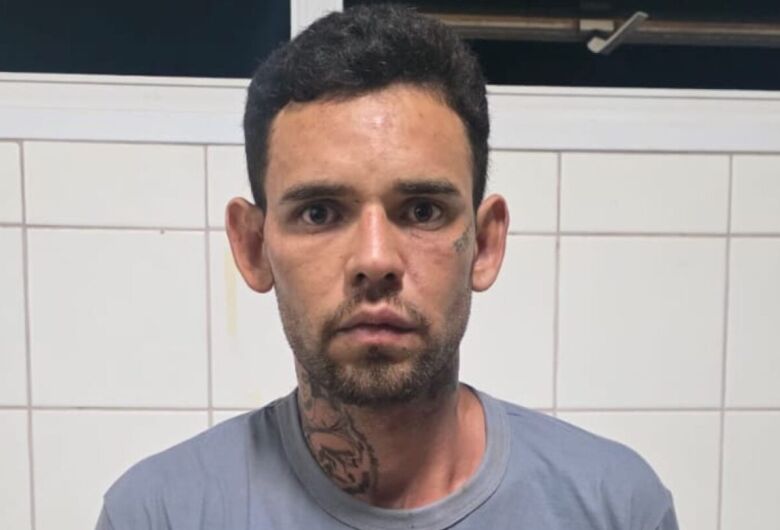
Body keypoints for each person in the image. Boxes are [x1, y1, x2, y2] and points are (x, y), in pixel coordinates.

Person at [96, 4, 678, 529]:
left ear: (485, 244)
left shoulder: (615, 506)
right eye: (320, 212)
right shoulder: (158, 514)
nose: (375, 260)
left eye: (422, 210)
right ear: (253, 248)